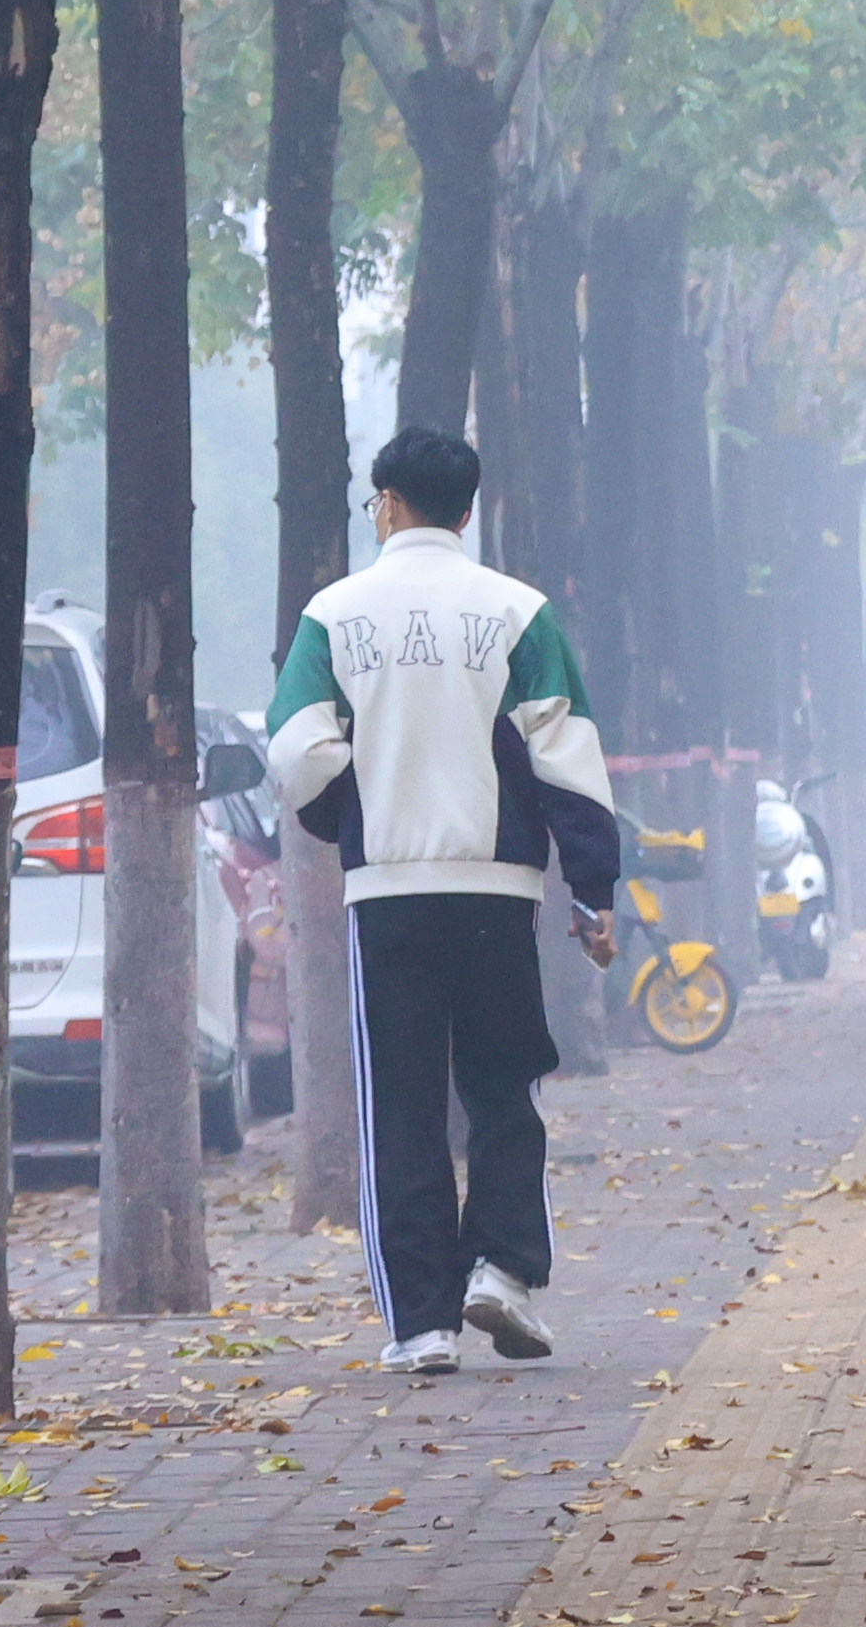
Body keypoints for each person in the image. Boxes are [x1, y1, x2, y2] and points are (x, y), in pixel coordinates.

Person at [267, 426, 623, 1373]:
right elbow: (569, 754)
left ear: (386, 503)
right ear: (468, 510)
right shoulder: (519, 613)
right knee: (506, 1085)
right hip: (497, 891)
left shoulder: (332, 616)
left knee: (405, 1103)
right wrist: (594, 890)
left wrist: (354, 820)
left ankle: (420, 1325)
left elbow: (299, 747)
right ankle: (502, 1274)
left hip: (389, 895)